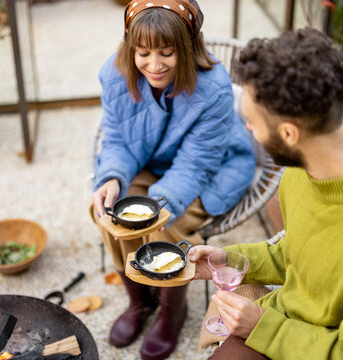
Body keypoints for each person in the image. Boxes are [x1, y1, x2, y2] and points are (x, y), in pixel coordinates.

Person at [189, 28, 343, 359]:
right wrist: (227, 259)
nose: (247, 128)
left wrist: (262, 326)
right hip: (295, 329)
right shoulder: (301, 171)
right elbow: (297, 254)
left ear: (289, 133)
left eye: (250, 121)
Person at [90, 1, 256, 359]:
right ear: (130, 46)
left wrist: (156, 203)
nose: (154, 65)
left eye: (167, 53)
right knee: (110, 211)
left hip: (215, 168)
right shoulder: (115, 75)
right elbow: (118, 140)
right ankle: (140, 299)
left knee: (164, 226)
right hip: (152, 161)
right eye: (144, 52)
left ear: (187, 47)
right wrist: (113, 177)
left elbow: (197, 164)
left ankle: (171, 310)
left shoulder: (213, 88)